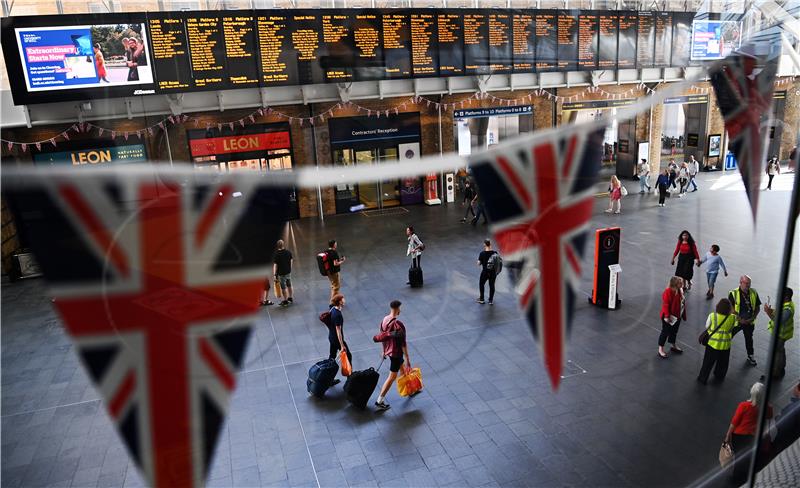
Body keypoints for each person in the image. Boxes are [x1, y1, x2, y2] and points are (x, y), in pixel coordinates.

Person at [724, 382, 774, 486]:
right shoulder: (767, 408)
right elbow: (769, 417)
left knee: (738, 456)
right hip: (754, 437)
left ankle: (736, 478)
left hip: (739, 435)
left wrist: (728, 435)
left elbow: (734, 422)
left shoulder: (744, 406)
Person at [373, 300, 411, 411]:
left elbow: (382, 336)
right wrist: (408, 358)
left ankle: (409, 389)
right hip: (396, 353)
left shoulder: (384, 320)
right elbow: (403, 344)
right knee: (392, 377)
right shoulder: (398, 325)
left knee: (402, 369)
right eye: (400, 308)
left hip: (389, 351)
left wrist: (384, 350)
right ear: (398, 308)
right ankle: (380, 400)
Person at [696, 298, 737, 384]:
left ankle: (703, 378)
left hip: (712, 344)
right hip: (725, 345)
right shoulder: (733, 318)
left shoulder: (712, 316)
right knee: (723, 362)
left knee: (708, 362)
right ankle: (719, 375)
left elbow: (707, 326)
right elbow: (732, 328)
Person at [730, 275, 762, 366]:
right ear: (741, 282)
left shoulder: (753, 292)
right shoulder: (733, 293)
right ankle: (722, 352)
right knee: (729, 336)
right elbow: (731, 309)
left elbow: (757, 308)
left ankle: (750, 356)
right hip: (737, 322)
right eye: (746, 283)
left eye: (749, 283)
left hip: (749, 322)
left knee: (749, 339)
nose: (748, 285)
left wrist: (752, 318)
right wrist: (740, 319)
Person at [764, 287, 794, 378]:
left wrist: (768, 313)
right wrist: (771, 310)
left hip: (781, 335)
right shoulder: (786, 304)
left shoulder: (788, 309)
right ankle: (782, 367)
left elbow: (779, 321)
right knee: (780, 351)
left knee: (777, 353)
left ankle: (776, 373)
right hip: (781, 334)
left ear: (786, 297)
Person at [658, 276, 686, 358]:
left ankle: (673, 345)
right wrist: (667, 316)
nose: (682, 284)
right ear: (675, 284)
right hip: (669, 316)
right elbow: (666, 305)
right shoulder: (668, 291)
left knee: (674, 331)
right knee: (665, 332)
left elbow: (682, 303)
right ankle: (660, 349)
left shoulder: (679, 290)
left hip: (677, 316)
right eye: (680, 283)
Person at [328, 294, 350, 385]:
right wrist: (342, 345)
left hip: (331, 337)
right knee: (348, 356)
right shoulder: (337, 315)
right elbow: (338, 331)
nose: (344, 300)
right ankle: (350, 379)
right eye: (343, 299)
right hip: (337, 339)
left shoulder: (332, 308)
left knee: (332, 356)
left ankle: (329, 378)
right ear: (340, 301)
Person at [477, 239, 498, 305]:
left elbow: (478, 263)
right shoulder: (495, 253)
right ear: (490, 244)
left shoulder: (482, 253)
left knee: (481, 284)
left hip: (485, 272)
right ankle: (490, 300)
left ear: (484, 244)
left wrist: (479, 261)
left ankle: (482, 299)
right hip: (493, 272)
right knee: (492, 285)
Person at [273, 239, 293, 307]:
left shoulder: (276, 254)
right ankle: (290, 298)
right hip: (288, 271)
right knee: (289, 285)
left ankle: (285, 300)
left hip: (281, 274)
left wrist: (274, 274)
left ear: (277, 246)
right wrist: (290, 268)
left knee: (283, 287)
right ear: (283, 244)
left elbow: (275, 265)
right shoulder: (288, 252)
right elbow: (291, 260)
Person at [325, 240, 346, 304]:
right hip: (334, 272)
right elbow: (335, 264)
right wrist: (342, 261)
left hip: (328, 272)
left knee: (333, 286)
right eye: (336, 243)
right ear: (334, 245)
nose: (336, 244)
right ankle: (332, 303)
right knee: (336, 287)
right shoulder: (334, 252)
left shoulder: (326, 251)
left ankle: (337, 300)